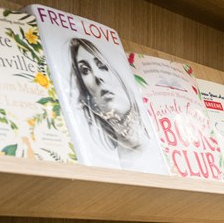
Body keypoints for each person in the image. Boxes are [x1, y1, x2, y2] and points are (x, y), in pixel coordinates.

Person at [67, 37, 166, 174]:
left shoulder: (161, 145)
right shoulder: (104, 161)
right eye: (85, 70)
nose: (97, 76)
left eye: (101, 65)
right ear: (84, 89)